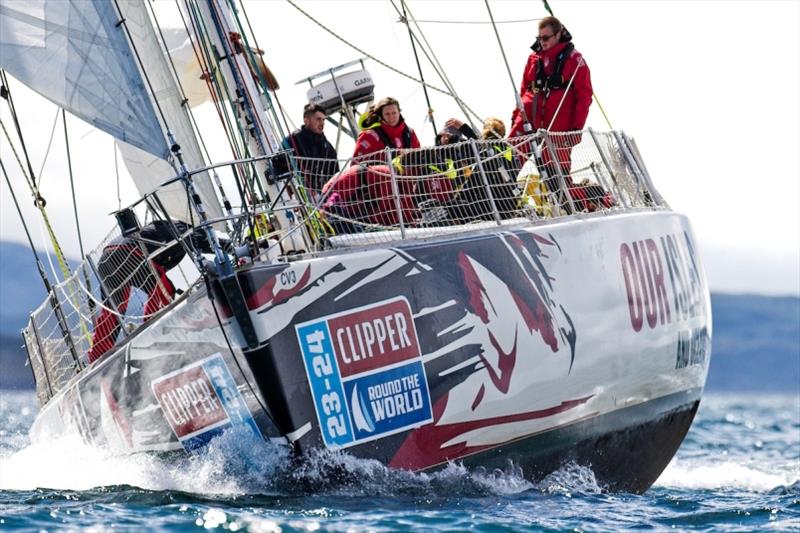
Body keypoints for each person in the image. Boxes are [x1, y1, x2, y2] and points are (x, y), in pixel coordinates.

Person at [88, 221, 208, 362]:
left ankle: (96, 358)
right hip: (129, 254)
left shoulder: (162, 227)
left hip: (107, 259)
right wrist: (230, 247)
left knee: (113, 312)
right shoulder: (184, 229)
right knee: (166, 290)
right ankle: (151, 336)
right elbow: (206, 241)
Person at [508, 16, 592, 171]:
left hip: (558, 127)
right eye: (539, 38)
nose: (542, 42)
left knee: (556, 177)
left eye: (545, 37)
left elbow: (584, 97)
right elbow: (524, 89)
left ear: (558, 35)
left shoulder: (574, 59)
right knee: (507, 165)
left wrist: (576, 128)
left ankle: (597, 195)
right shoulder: (533, 58)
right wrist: (516, 116)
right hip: (528, 119)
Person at [281, 103, 339, 196]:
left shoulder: (327, 146)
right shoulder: (292, 141)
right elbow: (283, 168)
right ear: (306, 121)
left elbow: (335, 173)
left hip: (324, 196)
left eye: (323, 119)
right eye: (318, 119)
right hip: (300, 195)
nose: (322, 123)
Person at [352, 97, 420, 163]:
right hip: (381, 173)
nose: (391, 117)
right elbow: (356, 164)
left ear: (399, 112)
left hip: (409, 173)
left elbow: (420, 158)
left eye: (394, 113)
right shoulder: (370, 136)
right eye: (387, 114)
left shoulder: (410, 133)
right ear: (381, 116)